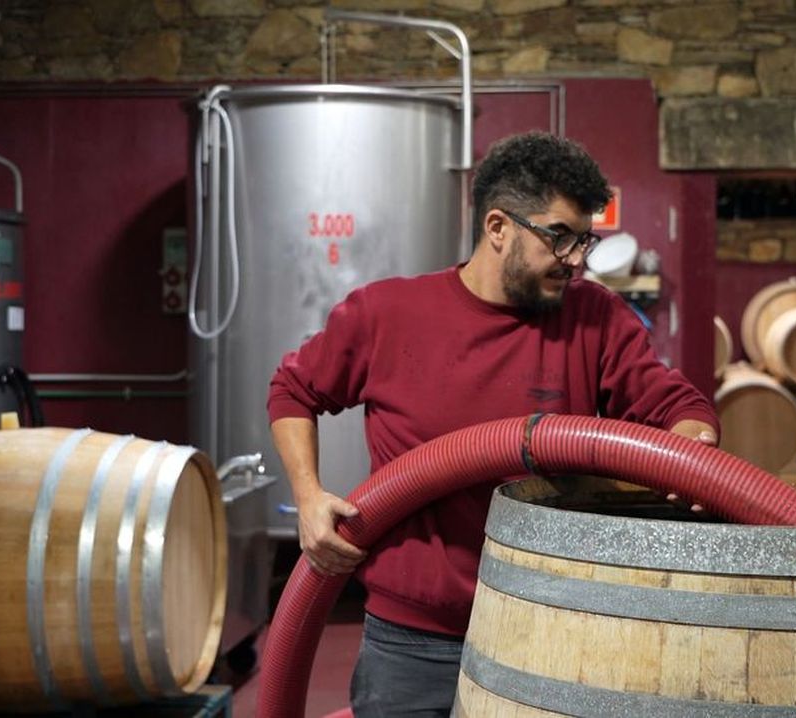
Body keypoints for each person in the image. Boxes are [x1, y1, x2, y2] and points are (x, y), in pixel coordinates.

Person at [266, 131, 718, 717]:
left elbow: (677, 407)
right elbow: (293, 390)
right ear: (498, 227)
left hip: (545, 624)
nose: (577, 259)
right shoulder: (387, 314)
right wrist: (307, 495)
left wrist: (691, 448)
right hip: (411, 639)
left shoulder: (595, 320)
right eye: (559, 237)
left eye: (585, 238)